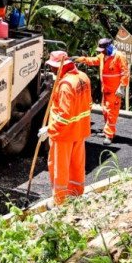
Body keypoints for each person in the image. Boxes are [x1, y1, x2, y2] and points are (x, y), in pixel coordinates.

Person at [37, 51, 92, 207]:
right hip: (80, 131)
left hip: (64, 135)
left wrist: (50, 129)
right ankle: (76, 195)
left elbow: (63, 116)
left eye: (54, 68)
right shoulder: (83, 78)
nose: (53, 71)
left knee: (59, 167)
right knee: (77, 165)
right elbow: (88, 105)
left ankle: (59, 201)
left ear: (61, 67)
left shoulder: (66, 85)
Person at [74, 38, 129, 145]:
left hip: (115, 91)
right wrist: (81, 59)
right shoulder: (103, 56)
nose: (101, 52)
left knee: (111, 112)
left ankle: (109, 135)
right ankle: (107, 131)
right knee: (105, 110)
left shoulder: (119, 56)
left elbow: (125, 72)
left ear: (109, 47)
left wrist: (121, 87)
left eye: (103, 49)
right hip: (106, 89)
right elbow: (94, 60)